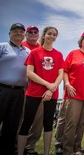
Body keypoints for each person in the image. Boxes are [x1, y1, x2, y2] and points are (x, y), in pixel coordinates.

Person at [18, 26, 64, 155]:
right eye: (49, 33)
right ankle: (20, 152)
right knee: (26, 122)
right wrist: (47, 84)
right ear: (44, 35)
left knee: (48, 124)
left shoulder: (58, 54)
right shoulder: (34, 53)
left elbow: (60, 74)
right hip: (34, 92)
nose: (52, 36)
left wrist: (52, 88)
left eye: (54, 34)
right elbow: (29, 73)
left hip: (52, 94)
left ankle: (46, 152)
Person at [0, 23, 29, 155]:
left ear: (24, 35)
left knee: (12, 124)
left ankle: (7, 150)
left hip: (19, 92)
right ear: (10, 33)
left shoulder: (28, 52)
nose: (18, 33)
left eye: (21, 32)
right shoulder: (2, 46)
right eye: (15, 31)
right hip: (2, 90)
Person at [21, 26, 42, 155]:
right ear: (26, 34)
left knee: (38, 119)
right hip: (22, 85)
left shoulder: (41, 48)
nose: (33, 34)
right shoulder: (21, 45)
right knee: (21, 116)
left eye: (35, 32)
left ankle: (29, 146)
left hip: (38, 86)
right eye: (30, 32)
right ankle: (16, 143)